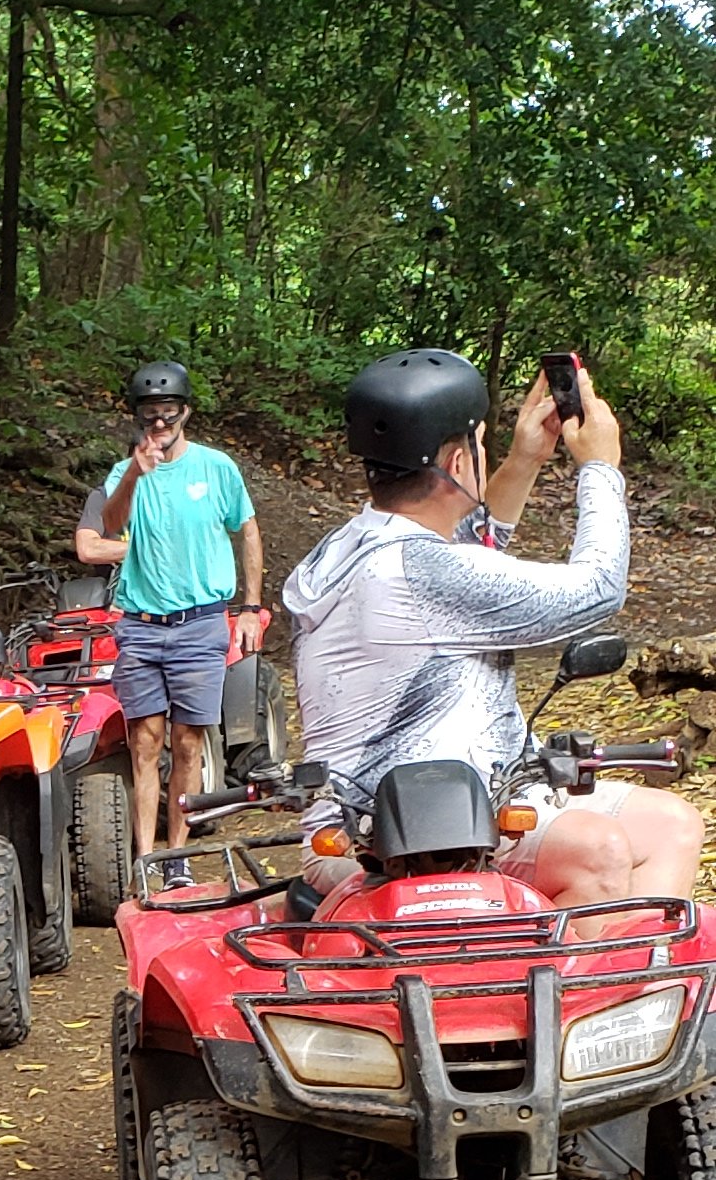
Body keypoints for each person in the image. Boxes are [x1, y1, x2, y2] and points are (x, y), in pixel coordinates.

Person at [285, 347, 702, 923]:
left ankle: (631, 996)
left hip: (441, 807)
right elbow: (600, 587)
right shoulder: (418, 571)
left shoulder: (354, 545)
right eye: (480, 445)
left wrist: (525, 461)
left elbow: (468, 557)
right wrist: (601, 469)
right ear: (457, 463)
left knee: (672, 825)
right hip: (397, 840)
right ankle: (562, 1006)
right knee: (594, 850)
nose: (485, 453)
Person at [96, 362, 263, 865]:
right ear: (138, 419)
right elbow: (109, 525)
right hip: (142, 625)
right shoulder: (124, 471)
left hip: (201, 623)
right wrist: (133, 474)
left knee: (188, 743)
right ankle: (146, 859)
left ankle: (177, 860)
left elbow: (248, 531)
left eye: (168, 415)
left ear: (186, 412)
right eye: (150, 417)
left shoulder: (217, 468)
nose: (159, 426)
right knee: (144, 743)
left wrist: (251, 607)